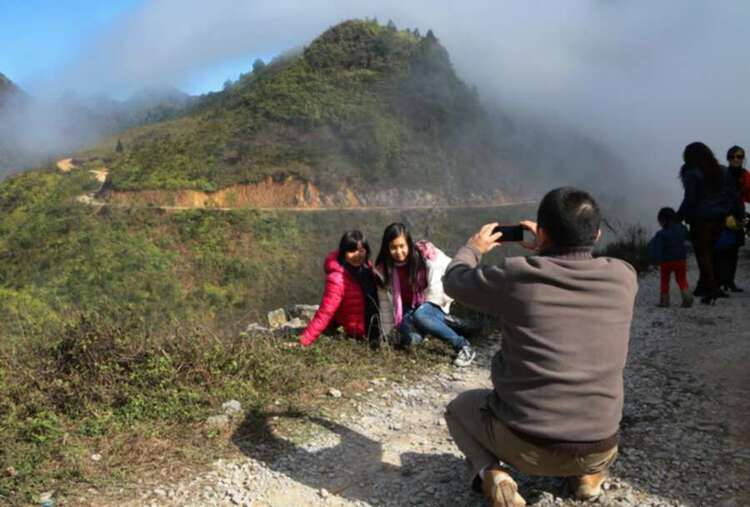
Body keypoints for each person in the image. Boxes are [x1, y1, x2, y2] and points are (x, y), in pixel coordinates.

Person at [442, 187, 637, 506]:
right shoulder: (624, 276)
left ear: (541, 232)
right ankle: (587, 478)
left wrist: (472, 248)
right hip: (601, 445)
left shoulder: (517, 276)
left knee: (458, 408)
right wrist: (547, 248)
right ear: (597, 234)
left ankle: (492, 474)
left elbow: (454, 281)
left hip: (527, 447)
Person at [374, 222, 476, 367]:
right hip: (410, 308)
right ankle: (448, 323)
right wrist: (387, 334)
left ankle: (463, 345)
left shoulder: (425, 256)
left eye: (402, 246)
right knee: (412, 340)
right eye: (393, 247)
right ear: (386, 248)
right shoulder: (383, 270)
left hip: (436, 298)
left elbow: (438, 286)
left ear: (408, 244)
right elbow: (384, 304)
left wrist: (425, 309)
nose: (398, 252)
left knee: (421, 316)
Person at [677, 142, 741, 304]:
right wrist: (734, 213)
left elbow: (690, 199)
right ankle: (708, 286)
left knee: (703, 255)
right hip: (720, 219)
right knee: (713, 254)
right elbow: (732, 195)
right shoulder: (723, 171)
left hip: (701, 220)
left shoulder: (692, 173)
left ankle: (711, 290)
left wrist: (679, 216)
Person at [299, 230, 379, 348]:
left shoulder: (368, 269)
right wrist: (304, 341)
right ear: (343, 253)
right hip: (360, 331)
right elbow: (325, 312)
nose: (357, 255)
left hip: (375, 324)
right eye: (351, 251)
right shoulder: (337, 279)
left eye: (361, 250)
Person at [716, 145, 749, 292]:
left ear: (743, 158)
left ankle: (729, 281)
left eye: (739, 156)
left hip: (738, 214)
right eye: (733, 156)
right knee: (721, 249)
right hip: (723, 214)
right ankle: (720, 282)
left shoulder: (745, 175)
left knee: (733, 250)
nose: (736, 159)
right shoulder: (723, 174)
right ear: (728, 158)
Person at [647, 207, 693, 308]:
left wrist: (655, 259)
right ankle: (687, 297)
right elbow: (688, 240)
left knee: (665, 280)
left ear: (663, 220)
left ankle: (664, 301)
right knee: (681, 279)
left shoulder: (661, 234)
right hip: (680, 260)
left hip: (666, 261)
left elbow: (657, 248)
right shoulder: (681, 230)